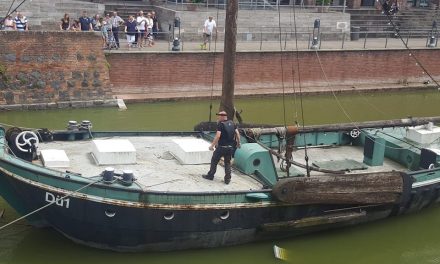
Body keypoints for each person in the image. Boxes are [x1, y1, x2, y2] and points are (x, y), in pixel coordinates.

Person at [202, 111, 240, 185]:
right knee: (227, 163)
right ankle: (227, 179)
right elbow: (237, 134)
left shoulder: (221, 124)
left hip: (221, 148)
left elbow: (218, 136)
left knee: (214, 161)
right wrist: (238, 143)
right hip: (230, 148)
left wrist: (212, 146)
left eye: (219, 116)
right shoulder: (232, 123)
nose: (218, 117)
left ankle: (210, 175)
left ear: (222, 116)